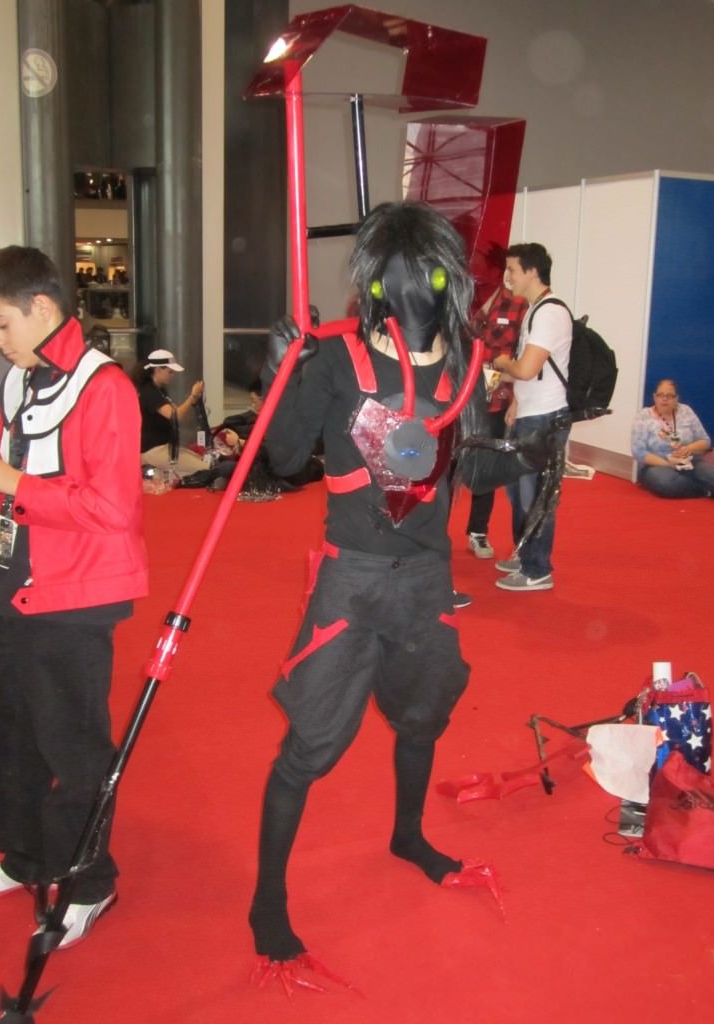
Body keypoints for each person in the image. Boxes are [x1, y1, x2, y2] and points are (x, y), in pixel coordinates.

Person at [248, 201, 525, 980]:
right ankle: (268, 897)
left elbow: (469, 470)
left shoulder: (466, 363)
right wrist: (285, 373)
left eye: (434, 277)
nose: (419, 292)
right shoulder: (336, 361)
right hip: (353, 577)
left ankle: (407, 833)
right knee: (308, 746)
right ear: (376, 284)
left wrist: (519, 450)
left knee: (422, 715)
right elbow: (284, 454)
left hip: (426, 580)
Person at [0, 245, 149, 947]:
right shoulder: (19, 381)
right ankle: (23, 856)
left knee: (73, 745)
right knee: (9, 734)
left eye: (0, 325)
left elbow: (113, 509)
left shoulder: (104, 386)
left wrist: (10, 482)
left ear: (43, 309)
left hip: (73, 599)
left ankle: (90, 879)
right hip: (9, 585)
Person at [490, 243, 572, 591]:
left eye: (512, 270)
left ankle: (537, 569)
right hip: (530, 413)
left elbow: (525, 368)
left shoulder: (549, 313)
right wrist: (515, 403)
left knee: (535, 497)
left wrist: (500, 362)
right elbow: (532, 374)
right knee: (517, 493)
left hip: (544, 419)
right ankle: (526, 555)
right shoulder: (536, 310)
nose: (507, 277)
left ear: (532, 272)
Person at [465, 282, 527, 559]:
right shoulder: (476, 294)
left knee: (487, 466)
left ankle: (478, 531)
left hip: (498, 396)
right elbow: (464, 332)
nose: (508, 275)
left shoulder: (525, 304)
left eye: (513, 269)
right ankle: (433, 535)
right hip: (462, 391)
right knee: (448, 464)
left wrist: (514, 394)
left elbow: (524, 357)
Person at [631, 379, 714, 510]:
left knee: (713, 475)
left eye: (670, 396)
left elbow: (705, 441)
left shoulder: (686, 411)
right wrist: (669, 464)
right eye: (660, 395)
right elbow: (638, 452)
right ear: (654, 397)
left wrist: (689, 448)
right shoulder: (643, 416)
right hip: (656, 464)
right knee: (666, 483)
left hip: (688, 459)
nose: (664, 399)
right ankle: (709, 490)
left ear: (677, 398)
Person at [131, 349, 209, 479]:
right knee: (204, 469)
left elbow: (177, 412)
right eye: (170, 371)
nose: (172, 375)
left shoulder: (159, 390)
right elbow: (175, 416)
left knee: (202, 461)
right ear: (158, 370)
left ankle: (160, 474)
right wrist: (192, 396)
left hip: (164, 446)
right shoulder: (149, 392)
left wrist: (194, 400)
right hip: (153, 450)